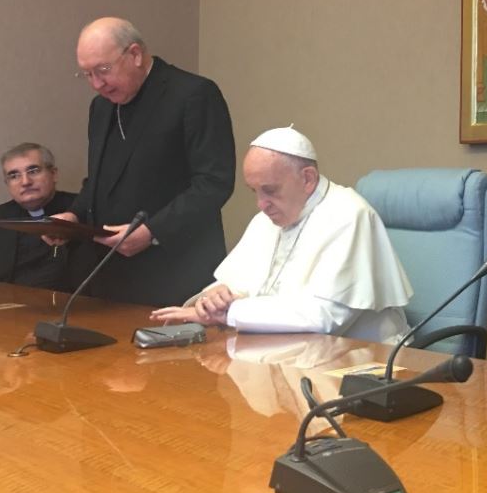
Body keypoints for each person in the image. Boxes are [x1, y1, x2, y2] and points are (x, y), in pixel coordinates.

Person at [151, 126, 413, 340]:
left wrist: (230, 313)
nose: (261, 204)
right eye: (254, 191)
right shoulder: (267, 219)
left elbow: (325, 317)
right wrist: (215, 297)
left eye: (270, 190)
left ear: (308, 179)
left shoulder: (349, 215)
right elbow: (235, 283)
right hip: (287, 353)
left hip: (360, 360)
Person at [50, 17, 235, 306]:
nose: (97, 84)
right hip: (109, 273)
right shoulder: (101, 107)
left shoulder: (193, 94)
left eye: (103, 70)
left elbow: (214, 183)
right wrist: (73, 218)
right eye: (87, 74)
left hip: (175, 271)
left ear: (135, 54)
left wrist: (153, 231)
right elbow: (99, 180)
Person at [0, 143, 76, 289]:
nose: (25, 182)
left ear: (54, 174)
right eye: (14, 176)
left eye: (33, 171)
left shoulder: (80, 211)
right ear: (7, 183)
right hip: (6, 302)